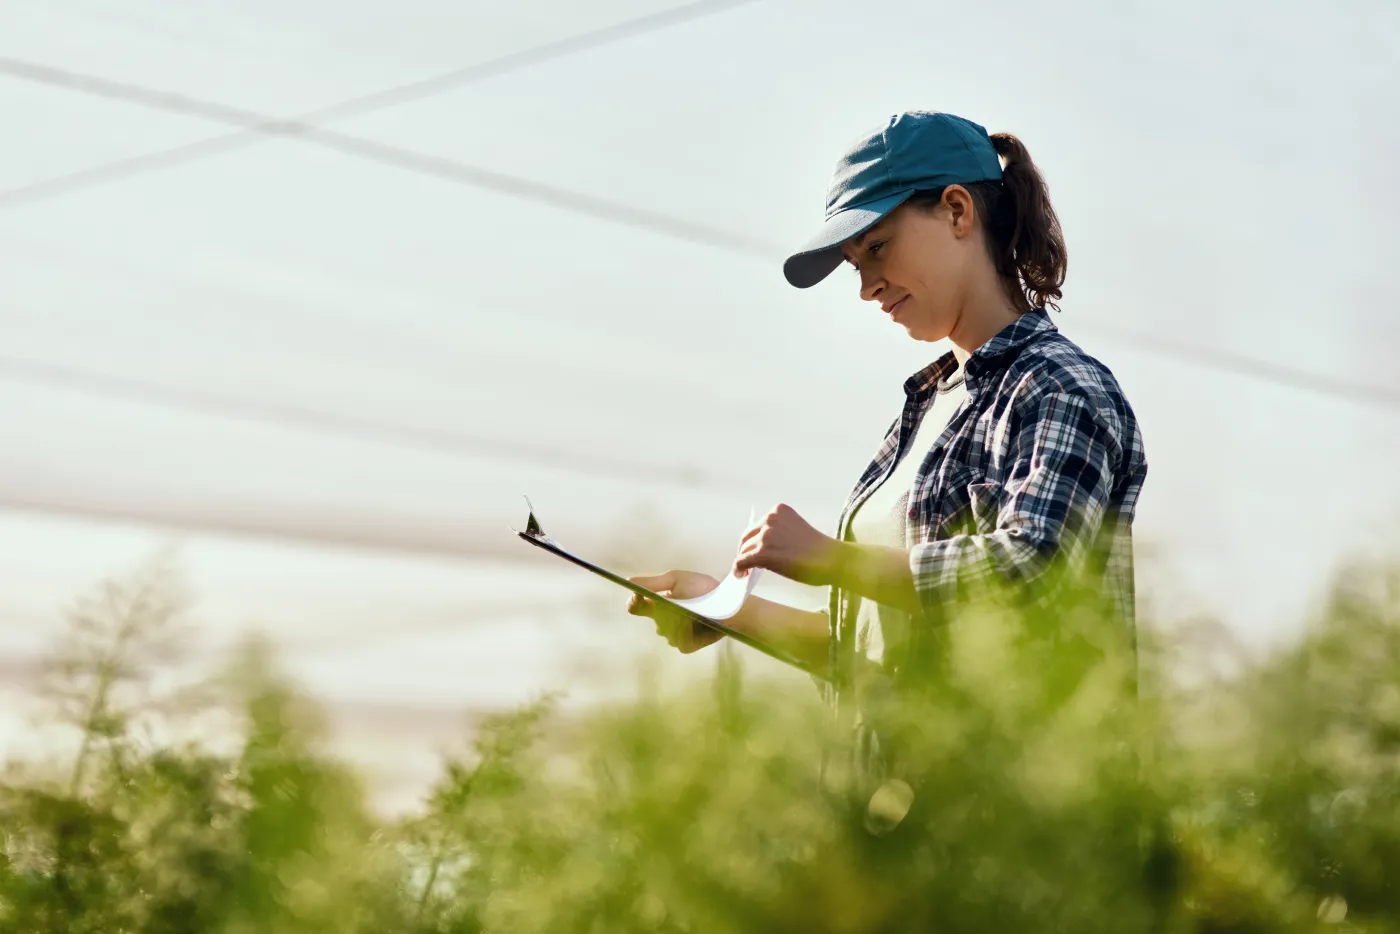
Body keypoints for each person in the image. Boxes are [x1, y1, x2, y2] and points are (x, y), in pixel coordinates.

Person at [627, 111, 1147, 797]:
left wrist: (833, 560)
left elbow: (1032, 574)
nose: (867, 287)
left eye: (878, 247)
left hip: (1022, 822)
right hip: (900, 815)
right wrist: (731, 611)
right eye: (856, 265)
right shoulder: (931, 405)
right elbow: (890, 652)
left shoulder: (1058, 387)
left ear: (957, 211)